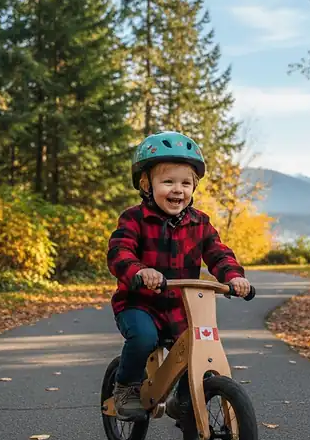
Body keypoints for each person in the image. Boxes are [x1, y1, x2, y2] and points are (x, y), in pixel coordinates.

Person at [107, 131, 251, 421]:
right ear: (147, 185)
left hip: (181, 307)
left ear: (194, 187)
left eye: (185, 183)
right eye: (168, 182)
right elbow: (119, 252)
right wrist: (140, 271)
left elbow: (218, 254)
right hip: (140, 304)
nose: (178, 190)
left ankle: (184, 399)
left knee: (198, 344)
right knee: (144, 338)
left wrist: (234, 277)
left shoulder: (200, 223)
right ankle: (125, 388)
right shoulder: (134, 218)